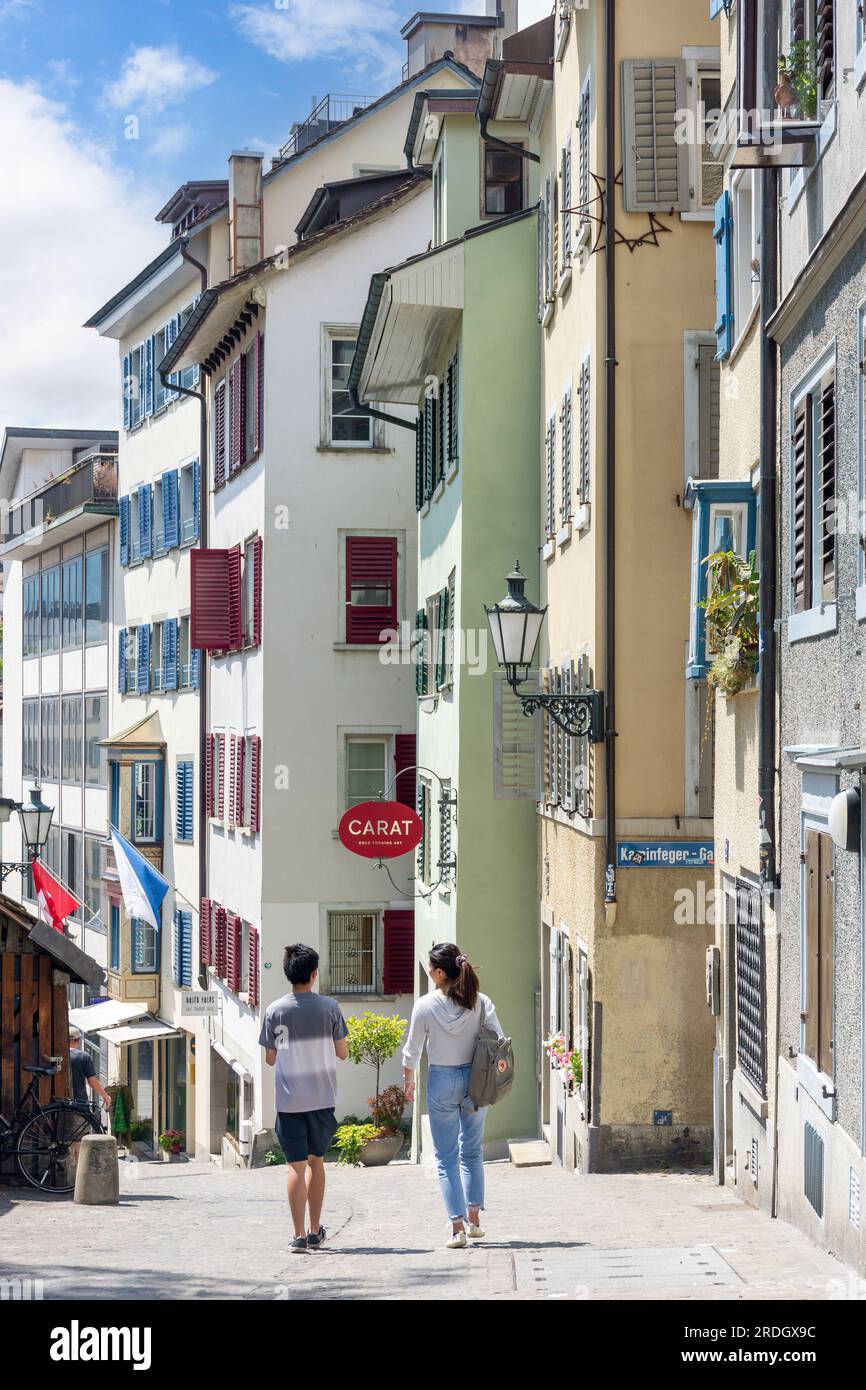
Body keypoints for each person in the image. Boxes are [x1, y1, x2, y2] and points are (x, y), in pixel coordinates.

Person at [402, 943, 504, 1249]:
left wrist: (408, 1082)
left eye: (431, 968)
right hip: (476, 1080)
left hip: (442, 1080)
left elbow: (412, 1051)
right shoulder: (481, 1002)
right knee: (472, 1152)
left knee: (446, 1158)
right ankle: (475, 1222)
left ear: (440, 973)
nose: (429, 972)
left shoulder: (425, 1006)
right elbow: (498, 1039)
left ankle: (456, 1228)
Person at [259, 944, 349, 1253]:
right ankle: (314, 1231)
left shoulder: (274, 1011)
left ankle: (297, 1236)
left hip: (289, 1101)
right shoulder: (330, 1008)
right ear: (314, 974)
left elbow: (271, 1058)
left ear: (288, 974)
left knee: (295, 1167)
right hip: (322, 1098)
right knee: (317, 1162)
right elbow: (342, 1052)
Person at [68, 1029, 112, 1121]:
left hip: (58, 1103)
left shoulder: (57, 1055)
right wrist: (105, 1096)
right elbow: (92, 1082)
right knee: (80, 1133)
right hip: (79, 1104)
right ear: (78, 1040)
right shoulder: (83, 1056)